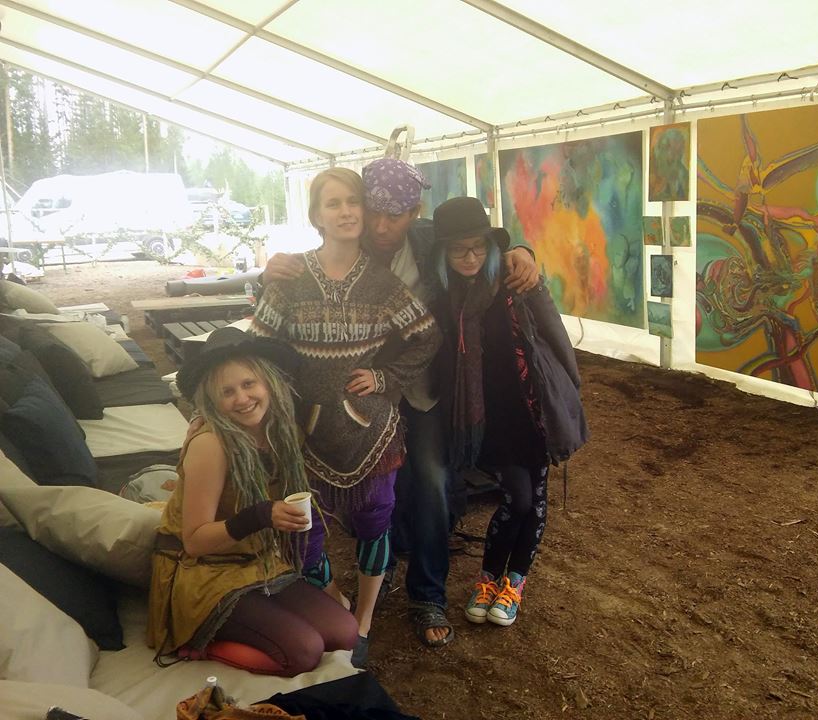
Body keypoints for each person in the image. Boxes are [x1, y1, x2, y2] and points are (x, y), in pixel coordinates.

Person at [265, 158, 539, 648]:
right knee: (374, 489)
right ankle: (381, 567)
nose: (381, 225)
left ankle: (427, 594)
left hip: (423, 386)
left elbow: (481, 242)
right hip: (356, 398)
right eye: (373, 211)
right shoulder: (348, 241)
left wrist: (523, 250)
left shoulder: (430, 238)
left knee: (431, 481)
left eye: (395, 215)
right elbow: (298, 284)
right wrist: (272, 268)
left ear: (414, 213)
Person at [250, 167, 441, 667]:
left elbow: (427, 336)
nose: (346, 212)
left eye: (353, 201)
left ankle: (364, 620)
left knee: (376, 522)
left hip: (371, 432)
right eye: (333, 203)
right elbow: (257, 347)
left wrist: (385, 378)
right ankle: (334, 599)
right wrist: (270, 404)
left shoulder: (383, 283)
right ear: (316, 215)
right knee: (305, 533)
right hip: (302, 433)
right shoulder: (291, 279)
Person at [146, 327, 358, 676]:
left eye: (249, 384)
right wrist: (261, 515)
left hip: (254, 560)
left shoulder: (279, 430)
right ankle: (197, 646)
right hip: (202, 572)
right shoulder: (211, 445)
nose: (242, 398)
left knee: (344, 631)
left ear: (268, 383)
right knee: (303, 653)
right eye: (227, 392)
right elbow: (195, 541)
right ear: (211, 400)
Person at [429, 196, 588, 627]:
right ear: (443, 253)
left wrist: (568, 393)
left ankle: (512, 582)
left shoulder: (515, 281)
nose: (471, 257)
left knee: (534, 499)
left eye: (478, 247)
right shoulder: (443, 298)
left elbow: (553, 332)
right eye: (459, 249)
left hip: (532, 409)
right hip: (486, 420)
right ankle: (488, 579)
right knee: (516, 497)